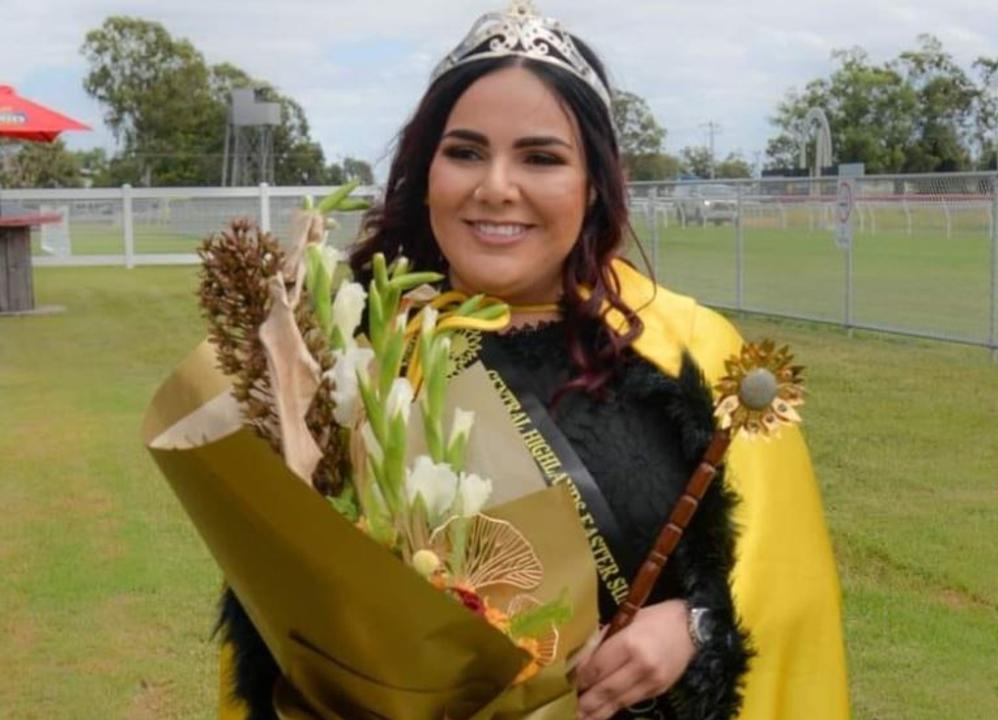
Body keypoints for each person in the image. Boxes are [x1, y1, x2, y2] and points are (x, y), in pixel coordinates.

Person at [216, 2, 849, 719]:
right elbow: (275, 613)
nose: (495, 186)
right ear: (426, 171)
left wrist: (698, 626)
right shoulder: (343, 355)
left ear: (596, 182)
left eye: (541, 157)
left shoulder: (695, 353)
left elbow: (783, 583)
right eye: (465, 152)